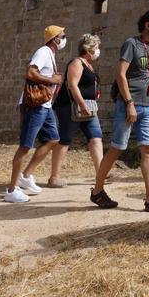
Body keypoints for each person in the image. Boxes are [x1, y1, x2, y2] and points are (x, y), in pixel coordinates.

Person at [89, 10, 149, 212]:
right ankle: (97, 191)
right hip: (129, 105)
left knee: (148, 149)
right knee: (117, 149)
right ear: (147, 25)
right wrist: (129, 102)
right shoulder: (132, 44)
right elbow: (120, 74)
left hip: (148, 106)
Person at [3, 25, 65, 203]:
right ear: (54, 39)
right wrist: (51, 80)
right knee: (25, 146)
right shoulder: (43, 52)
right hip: (35, 105)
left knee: (53, 139)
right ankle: (12, 190)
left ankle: (25, 175)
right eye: (62, 36)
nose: (64, 39)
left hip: (45, 105)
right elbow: (30, 72)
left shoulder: (50, 54)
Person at [40, 33, 105, 187]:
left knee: (96, 138)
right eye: (95, 47)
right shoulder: (77, 63)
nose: (97, 51)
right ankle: (54, 177)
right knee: (65, 140)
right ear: (88, 49)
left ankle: (102, 173)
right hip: (71, 107)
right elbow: (72, 85)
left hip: (89, 107)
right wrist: (82, 105)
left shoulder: (89, 65)